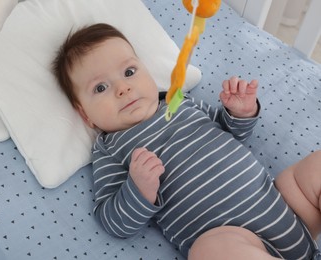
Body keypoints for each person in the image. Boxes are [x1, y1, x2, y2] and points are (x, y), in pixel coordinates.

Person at [52, 23, 321, 259]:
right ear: (85, 115)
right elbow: (114, 223)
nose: (123, 88)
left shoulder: (179, 102)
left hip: (286, 208)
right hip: (233, 241)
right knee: (207, 251)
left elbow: (233, 132)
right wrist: (138, 188)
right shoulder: (109, 149)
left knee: (316, 168)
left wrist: (240, 112)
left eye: (130, 72)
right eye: (100, 88)